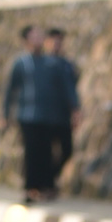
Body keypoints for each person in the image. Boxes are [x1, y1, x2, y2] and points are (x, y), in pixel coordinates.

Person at [1, 24, 71, 203]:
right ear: (26, 40)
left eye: (40, 35)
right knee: (31, 152)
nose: (39, 39)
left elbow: (65, 87)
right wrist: (5, 114)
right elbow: (10, 90)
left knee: (46, 153)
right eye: (34, 36)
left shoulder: (51, 63)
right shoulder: (21, 64)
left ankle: (45, 186)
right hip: (28, 116)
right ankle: (30, 188)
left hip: (48, 116)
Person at [44, 28, 82, 194]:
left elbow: (71, 89)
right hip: (44, 115)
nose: (57, 44)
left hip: (62, 115)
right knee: (45, 151)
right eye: (54, 40)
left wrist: (76, 110)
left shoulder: (67, 65)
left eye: (59, 40)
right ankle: (45, 183)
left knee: (67, 150)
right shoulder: (41, 63)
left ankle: (50, 179)